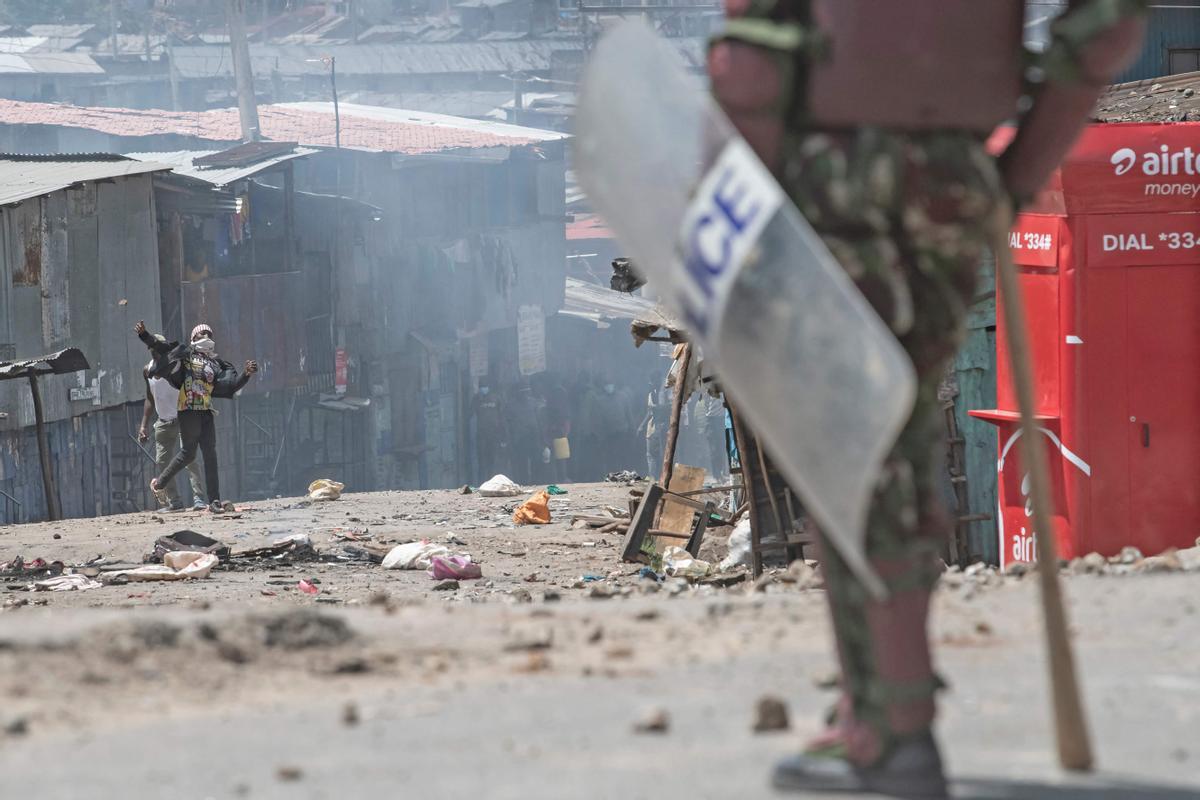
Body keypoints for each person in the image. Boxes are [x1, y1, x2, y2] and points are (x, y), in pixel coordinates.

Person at [707, 1, 1146, 795]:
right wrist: (1009, 180)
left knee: (852, 452)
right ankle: (874, 711)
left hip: (827, 177)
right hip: (955, 177)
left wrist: (750, 221)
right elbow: (1104, 29)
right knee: (893, 442)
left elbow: (751, 67)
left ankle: (891, 728)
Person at [135, 320, 258, 514]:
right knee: (188, 454)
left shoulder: (216, 364)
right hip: (188, 409)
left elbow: (231, 385)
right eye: (202, 335)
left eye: (209, 335)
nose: (206, 337)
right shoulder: (186, 354)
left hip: (206, 411)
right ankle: (160, 483)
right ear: (193, 338)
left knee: (210, 454)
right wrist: (144, 335)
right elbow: (162, 347)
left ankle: (214, 501)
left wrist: (246, 374)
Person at [137, 351, 206, 512]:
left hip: (183, 418)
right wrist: (143, 425)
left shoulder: (175, 367)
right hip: (163, 421)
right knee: (162, 461)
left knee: (190, 458)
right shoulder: (147, 370)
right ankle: (175, 502)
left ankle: (199, 499)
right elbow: (150, 398)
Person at [471, 383, 508, 482]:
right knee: (482, 460)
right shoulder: (476, 399)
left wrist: (503, 435)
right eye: (481, 386)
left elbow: (501, 417)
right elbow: (471, 413)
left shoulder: (496, 398)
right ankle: (482, 482)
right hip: (481, 435)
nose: (484, 388)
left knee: (493, 459)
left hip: (494, 434)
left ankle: (493, 481)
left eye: (485, 386)